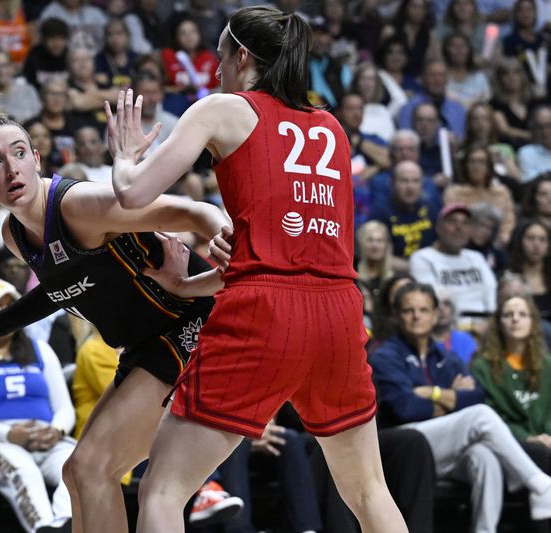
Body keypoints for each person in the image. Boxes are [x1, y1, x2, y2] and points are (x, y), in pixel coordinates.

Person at [105, 6, 407, 532]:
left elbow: (132, 194)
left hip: (266, 314)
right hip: (338, 312)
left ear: (241, 55)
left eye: (220, 54)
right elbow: (291, 254)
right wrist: (189, 284)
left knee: (163, 489)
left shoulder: (222, 108)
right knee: (368, 490)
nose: (215, 67)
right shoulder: (331, 127)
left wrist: (126, 155)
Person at [0, 83, 228, 532]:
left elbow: (193, 212)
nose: (11, 169)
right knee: (78, 472)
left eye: (19, 153)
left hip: (189, 323)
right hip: (144, 341)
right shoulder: (15, 236)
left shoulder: (79, 206)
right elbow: (59, 289)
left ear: (36, 158)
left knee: (98, 469)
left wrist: (223, 235)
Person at [370, 282, 551, 532]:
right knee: (480, 417)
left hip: (446, 445)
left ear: (435, 314)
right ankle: (539, 484)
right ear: (396, 315)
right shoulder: (385, 356)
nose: (416, 316)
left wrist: (431, 394)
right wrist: (451, 396)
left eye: (423, 310)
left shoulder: (447, 357)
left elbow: (475, 396)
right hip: (407, 444)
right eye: (409, 310)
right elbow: (405, 407)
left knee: (484, 457)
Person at [0, 279, 75, 533]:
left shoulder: (40, 350)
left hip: (45, 437)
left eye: (8, 305)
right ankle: (43, 528)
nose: (1, 312)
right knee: (24, 471)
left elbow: (64, 408)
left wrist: (56, 431)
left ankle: (63, 525)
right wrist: (8, 435)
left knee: (78, 464)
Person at [472, 295, 551, 478]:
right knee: (538, 452)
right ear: (499, 323)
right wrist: (528, 437)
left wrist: (547, 436)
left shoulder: (548, 365)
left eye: (522, 314)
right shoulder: (483, 368)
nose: (515, 319)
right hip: (507, 442)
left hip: (547, 439)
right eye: (508, 314)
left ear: (533, 322)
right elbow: (490, 415)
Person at [410, 203, 497, 334]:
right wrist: (469, 328)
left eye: (465, 223)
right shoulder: (422, 258)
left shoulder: (476, 257)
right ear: (439, 227)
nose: (459, 227)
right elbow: (433, 303)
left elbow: (491, 295)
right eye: (452, 221)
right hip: (446, 329)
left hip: (486, 327)